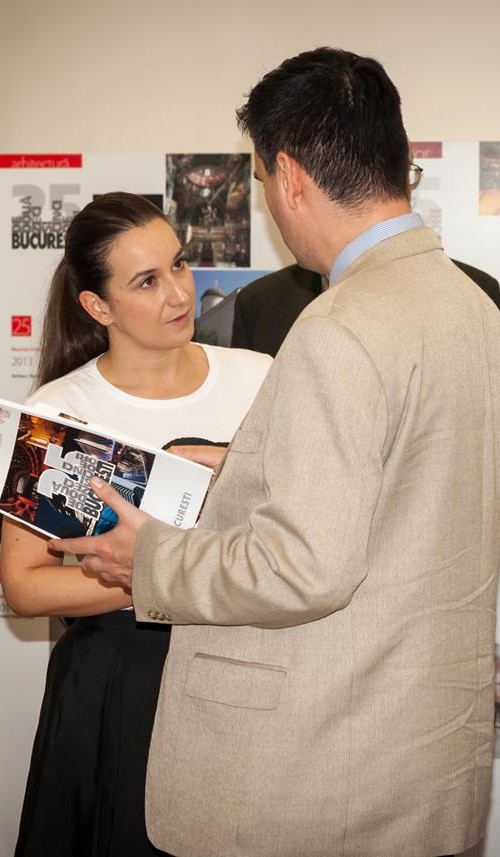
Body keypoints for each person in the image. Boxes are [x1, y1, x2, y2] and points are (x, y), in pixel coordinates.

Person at [53, 50, 500, 857]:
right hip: (423, 768)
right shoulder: (472, 308)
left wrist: (148, 558)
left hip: (323, 779)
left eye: (258, 178)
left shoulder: (342, 325)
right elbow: (411, 497)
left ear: (289, 177)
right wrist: (244, 466)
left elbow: (304, 567)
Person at [1, 191, 271, 857]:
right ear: (98, 306)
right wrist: (151, 578)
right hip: (119, 681)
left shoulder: (260, 379)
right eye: (146, 281)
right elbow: (24, 586)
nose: (179, 292)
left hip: (242, 668)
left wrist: (179, 572)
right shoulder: (62, 411)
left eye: (178, 264)